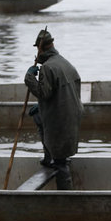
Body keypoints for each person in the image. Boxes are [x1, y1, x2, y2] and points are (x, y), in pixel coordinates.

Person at [24, 29, 83, 190]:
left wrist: (29, 78)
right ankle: (48, 156)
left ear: (41, 48)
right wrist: (42, 106)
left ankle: (66, 195)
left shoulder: (48, 68)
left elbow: (43, 93)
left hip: (61, 118)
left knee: (60, 162)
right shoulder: (64, 62)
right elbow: (58, 93)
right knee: (37, 115)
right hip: (72, 113)